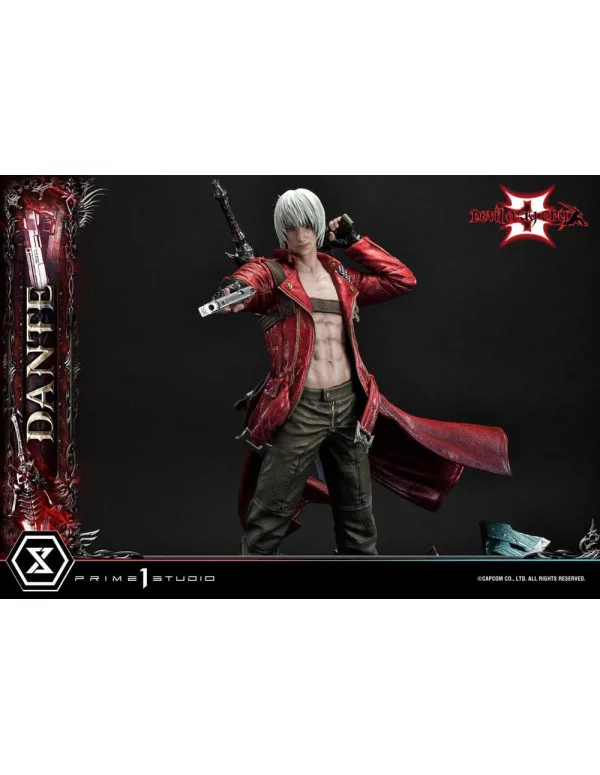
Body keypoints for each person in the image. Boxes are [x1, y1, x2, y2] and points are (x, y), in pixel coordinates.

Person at [212, 188, 511, 555]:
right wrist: (235, 290)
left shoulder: (341, 276)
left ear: (318, 225)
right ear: (282, 230)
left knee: (358, 521)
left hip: (349, 406)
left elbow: (401, 279)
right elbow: (249, 280)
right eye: (291, 226)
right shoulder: (273, 275)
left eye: (308, 225)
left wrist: (354, 242)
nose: (300, 234)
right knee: (268, 518)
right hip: (299, 408)